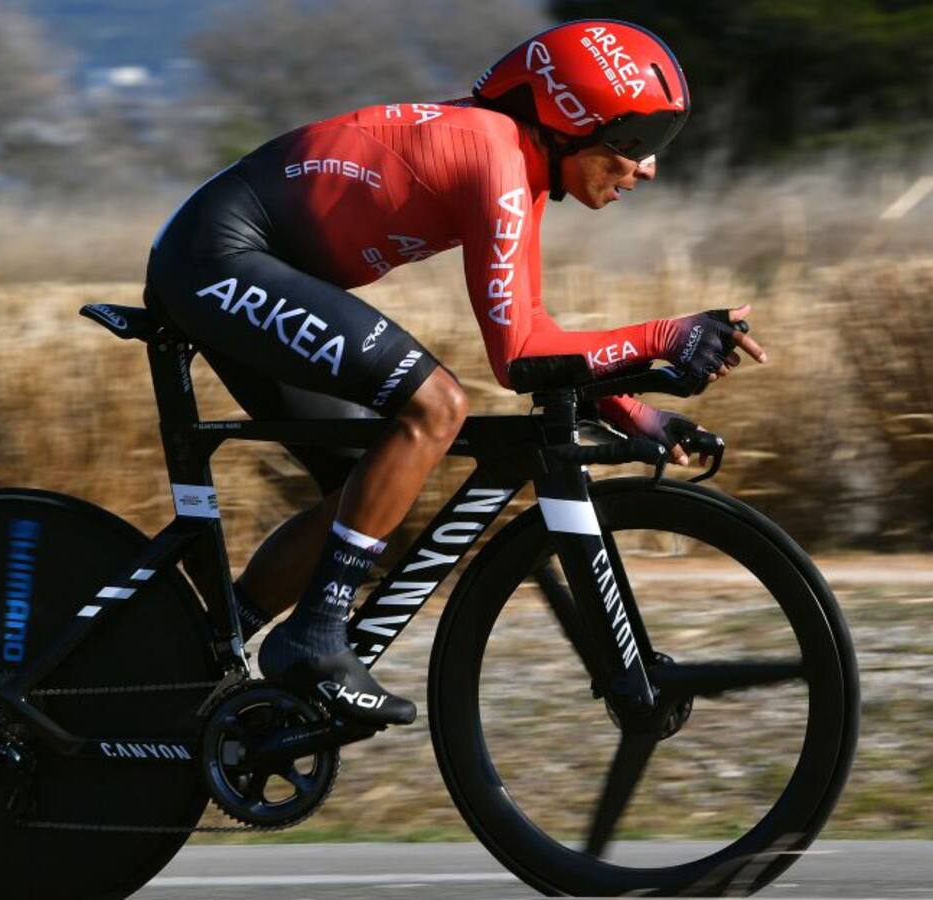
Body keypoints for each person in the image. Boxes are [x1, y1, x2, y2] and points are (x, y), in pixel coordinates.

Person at [145, 19, 767, 727]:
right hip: (216, 257)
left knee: (365, 489)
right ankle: (314, 636)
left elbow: (538, 332)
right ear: (569, 122)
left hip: (226, 258)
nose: (647, 168)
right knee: (436, 406)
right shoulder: (493, 157)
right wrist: (663, 335)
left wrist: (638, 412)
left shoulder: (516, 167)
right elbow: (519, 359)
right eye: (635, 143)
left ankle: (203, 652)